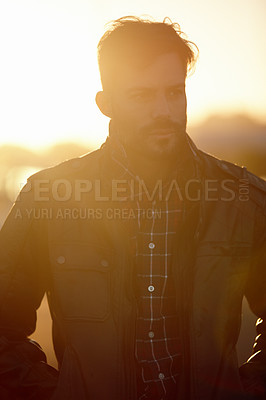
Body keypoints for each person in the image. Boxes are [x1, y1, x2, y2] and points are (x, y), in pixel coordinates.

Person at [0, 15, 265, 400]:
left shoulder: (244, 198)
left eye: (174, 92)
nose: (163, 110)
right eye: (141, 95)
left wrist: (249, 390)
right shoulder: (50, 196)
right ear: (105, 104)